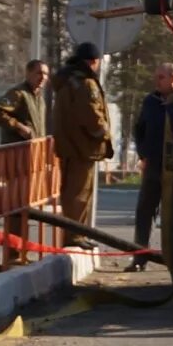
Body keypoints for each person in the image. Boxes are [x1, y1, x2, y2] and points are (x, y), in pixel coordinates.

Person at [51, 42, 113, 244]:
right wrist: (104, 133)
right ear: (94, 61)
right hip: (83, 148)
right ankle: (75, 236)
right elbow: (91, 115)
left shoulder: (67, 81)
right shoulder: (86, 83)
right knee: (80, 194)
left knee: (70, 193)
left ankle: (75, 234)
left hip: (69, 146)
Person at [128, 63, 173, 272]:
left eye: (161, 77)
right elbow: (140, 129)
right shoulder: (151, 101)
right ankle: (140, 257)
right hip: (153, 165)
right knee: (144, 211)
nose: (156, 81)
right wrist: (143, 154)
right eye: (156, 76)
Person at [0, 60, 50, 144]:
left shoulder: (40, 100)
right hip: (16, 153)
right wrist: (18, 127)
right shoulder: (18, 93)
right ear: (28, 74)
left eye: (46, 74)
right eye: (39, 73)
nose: (43, 77)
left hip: (34, 152)